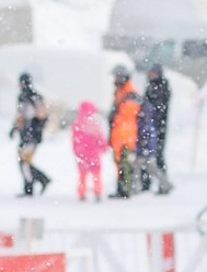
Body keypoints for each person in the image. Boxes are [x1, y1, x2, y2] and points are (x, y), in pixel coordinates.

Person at [13, 77, 51, 198]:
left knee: (24, 161)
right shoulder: (28, 97)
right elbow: (21, 116)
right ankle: (39, 180)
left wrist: (35, 129)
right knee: (23, 161)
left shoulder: (32, 97)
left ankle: (32, 185)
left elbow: (42, 116)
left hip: (30, 136)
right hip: (27, 135)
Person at [141, 61, 174, 192]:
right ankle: (146, 182)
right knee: (146, 155)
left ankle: (163, 183)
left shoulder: (162, 87)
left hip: (159, 127)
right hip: (150, 126)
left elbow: (159, 108)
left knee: (158, 156)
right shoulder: (150, 87)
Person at [109, 67, 141, 198]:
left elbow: (126, 115)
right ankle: (121, 189)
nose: (115, 80)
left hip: (125, 135)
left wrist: (115, 115)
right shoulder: (120, 92)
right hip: (118, 135)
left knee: (125, 164)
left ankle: (126, 189)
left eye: (117, 77)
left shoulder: (129, 93)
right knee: (119, 164)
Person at [71, 98, 108, 201]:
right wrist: (104, 146)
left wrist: (76, 150)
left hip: (81, 153)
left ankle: (81, 193)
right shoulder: (94, 123)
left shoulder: (77, 123)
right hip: (93, 152)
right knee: (96, 173)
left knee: (82, 174)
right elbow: (99, 137)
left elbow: (74, 139)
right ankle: (97, 191)